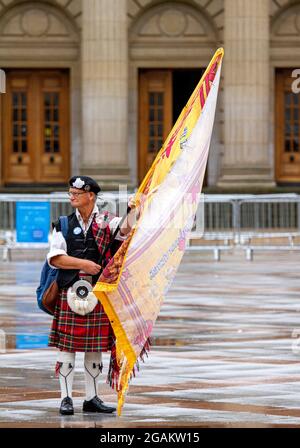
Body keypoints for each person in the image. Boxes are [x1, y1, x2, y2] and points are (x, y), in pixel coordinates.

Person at [47, 176, 136, 415]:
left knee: (94, 349)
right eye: (70, 193)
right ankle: (65, 398)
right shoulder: (62, 224)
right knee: (66, 348)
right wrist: (83, 264)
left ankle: (91, 397)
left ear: (91, 196)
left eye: (76, 193)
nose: (72, 196)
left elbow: (125, 230)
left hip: (96, 294)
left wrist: (134, 208)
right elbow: (56, 258)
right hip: (70, 293)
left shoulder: (106, 221)